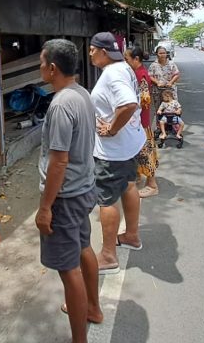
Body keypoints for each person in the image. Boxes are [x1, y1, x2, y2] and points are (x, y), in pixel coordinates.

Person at [35, 39, 102, 342]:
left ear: (52, 68)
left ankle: (79, 338)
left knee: (68, 268)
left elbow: (58, 162)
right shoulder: (82, 94)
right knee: (84, 247)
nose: (39, 68)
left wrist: (46, 207)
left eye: (40, 63)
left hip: (65, 198)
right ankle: (93, 308)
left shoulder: (61, 105)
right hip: (84, 189)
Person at [89, 32, 146, 273]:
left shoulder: (112, 74)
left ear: (103, 52)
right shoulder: (123, 67)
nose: (90, 53)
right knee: (129, 186)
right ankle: (131, 236)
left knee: (107, 200)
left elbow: (129, 103)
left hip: (114, 150)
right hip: (130, 143)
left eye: (92, 49)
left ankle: (108, 255)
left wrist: (112, 129)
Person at [124, 46, 159, 198]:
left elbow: (144, 100)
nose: (125, 63)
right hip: (138, 120)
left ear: (136, 59)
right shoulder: (137, 73)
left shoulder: (141, 74)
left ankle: (152, 184)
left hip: (141, 121)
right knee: (137, 151)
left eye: (127, 59)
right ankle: (138, 176)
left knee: (145, 152)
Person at [148, 46, 180, 114]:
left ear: (166, 54)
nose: (162, 55)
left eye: (164, 53)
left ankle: (173, 124)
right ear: (157, 54)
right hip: (158, 91)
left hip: (170, 90)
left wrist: (171, 82)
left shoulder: (171, 64)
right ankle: (160, 124)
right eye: (160, 53)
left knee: (173, 109)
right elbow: (150, 76)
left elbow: (177, 74)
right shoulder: (153, 65)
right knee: (159, 110)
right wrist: (157, 82)